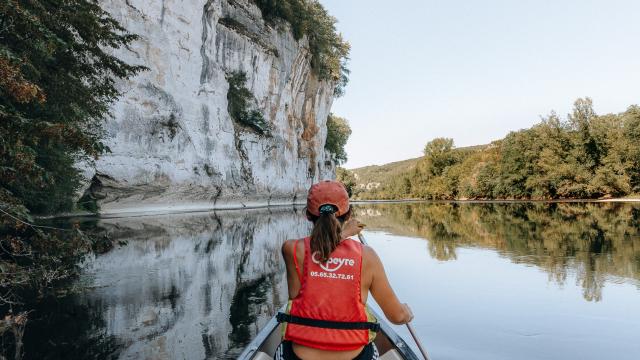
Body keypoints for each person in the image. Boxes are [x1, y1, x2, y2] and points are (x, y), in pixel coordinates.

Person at [275, 180, 414, 360]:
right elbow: (396, 316)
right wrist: (406, 313)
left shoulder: (291, 249)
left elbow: (295, 295)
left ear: (308, 215)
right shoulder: (368, 256)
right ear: (348, 214)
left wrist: (344, 234)